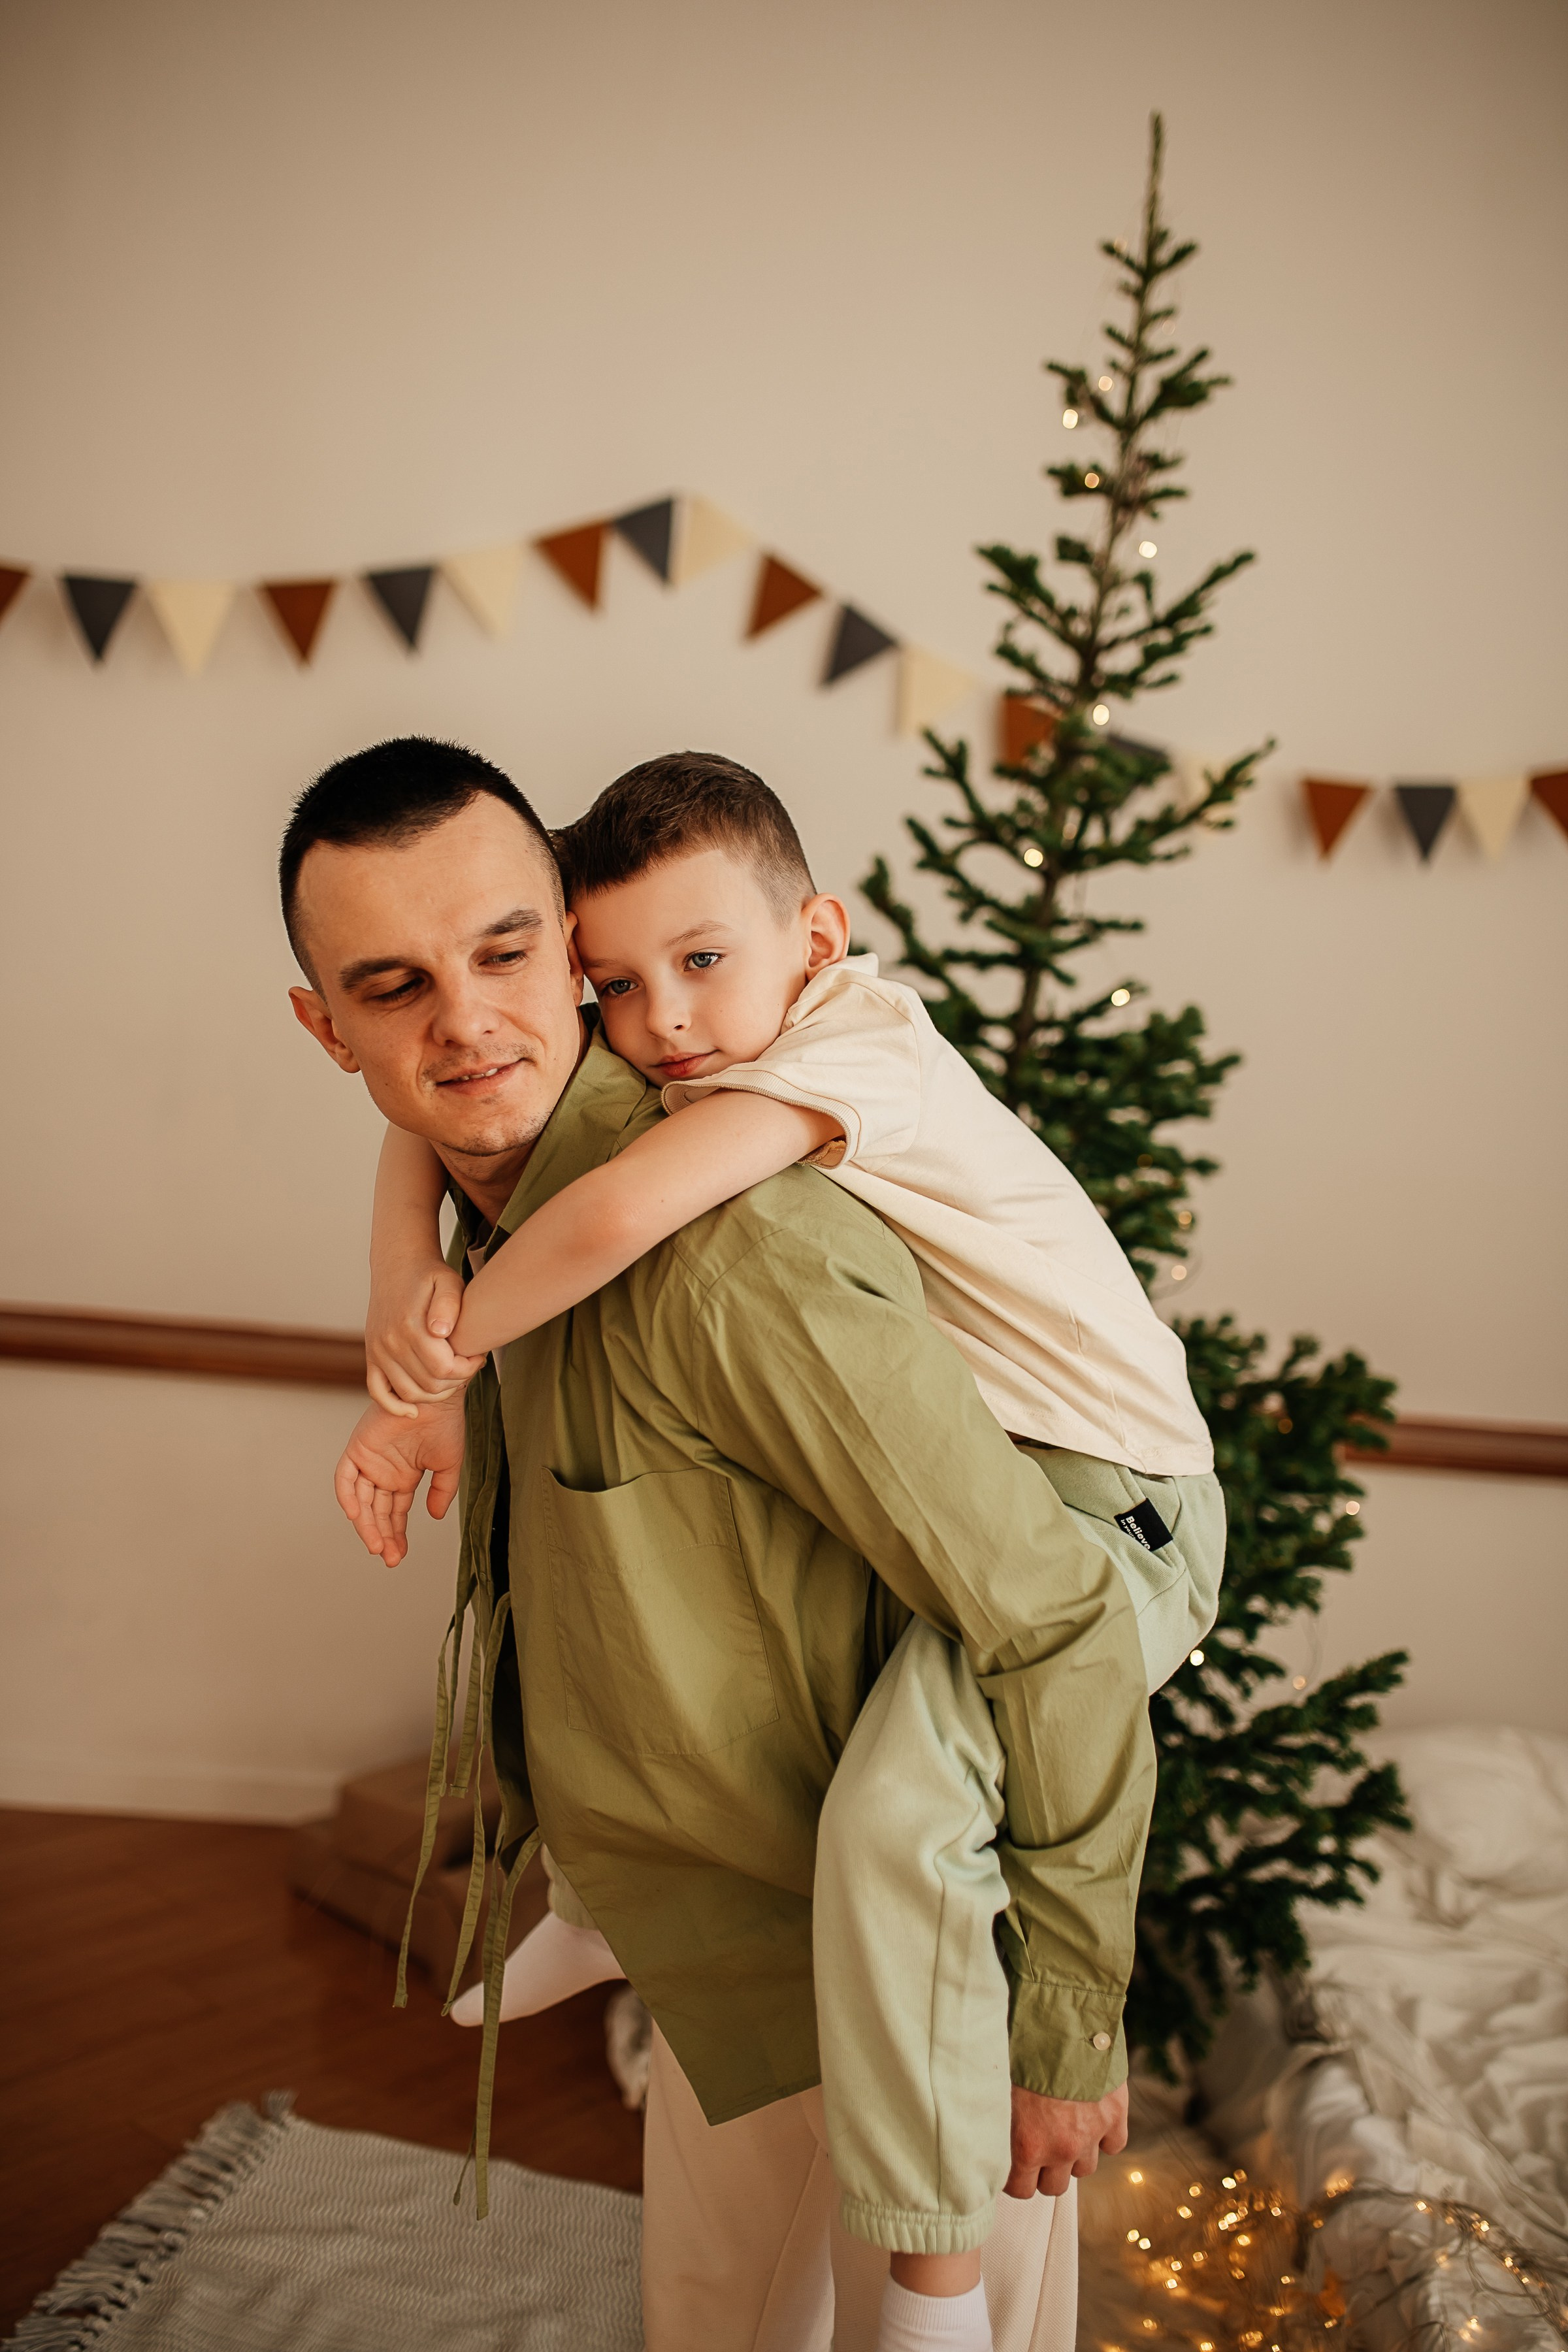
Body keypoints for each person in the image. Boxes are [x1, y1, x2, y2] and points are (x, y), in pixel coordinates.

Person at [284, 735, 1156, 2352]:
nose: (464, 1020)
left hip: (915, 1995)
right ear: (326, 1027)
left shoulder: (736, 1247)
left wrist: (1063, 2025)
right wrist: (414, 1344)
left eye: (503, 955)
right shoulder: (497, 1209)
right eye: (394, 987)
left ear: (566, 952)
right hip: (720, 1970)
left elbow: (1056, 1622)